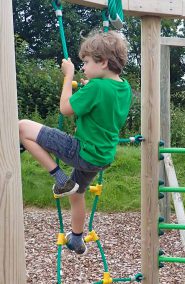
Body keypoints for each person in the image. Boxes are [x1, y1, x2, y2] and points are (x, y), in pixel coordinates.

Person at [19, 30, 132, 255]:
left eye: (87, 62)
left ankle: (60, 178)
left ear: (103, 63)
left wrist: (67, 77)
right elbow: (101, 105)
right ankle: (77, 238)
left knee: (21, 127)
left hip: (82, 151)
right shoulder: (124, 88)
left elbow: (65, 108)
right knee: (77, 194)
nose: (83, 67)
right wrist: (88, 86)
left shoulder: (96, 87)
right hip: (101, 158)